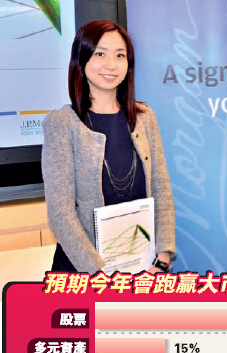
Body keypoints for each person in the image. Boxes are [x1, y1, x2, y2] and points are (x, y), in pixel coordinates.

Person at [42, 19, 175, 274]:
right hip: (84, 273)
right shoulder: (63, 123)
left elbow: (161, 190)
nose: (111, 64)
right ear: (82, 60)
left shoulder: (144, 117)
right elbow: (61, 215)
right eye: (100, 54)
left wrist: (162, 258)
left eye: (120, 55)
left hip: (144, 269)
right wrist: (102, 276)